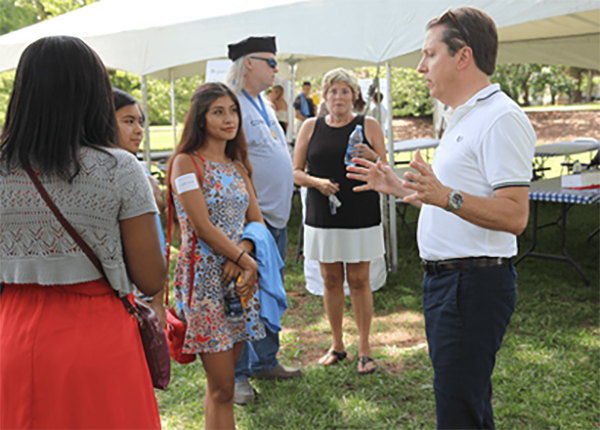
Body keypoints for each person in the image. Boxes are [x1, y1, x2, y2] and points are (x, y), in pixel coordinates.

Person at [347, 7, 535, 429]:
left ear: (462, 57)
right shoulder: (464, 116)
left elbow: (514, 214)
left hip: (472, 285)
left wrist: (444, 195)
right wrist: (402, 188)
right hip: (449, 284)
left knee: (458, 411)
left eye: (429, 54)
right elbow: (452, 203)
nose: (420, 67)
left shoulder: (500, 118)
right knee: (466, 404)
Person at [0, 36, 166, 429]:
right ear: (93, 92)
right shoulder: (119, 169)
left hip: (10, 333)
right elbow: (150, 276)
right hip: (97, 337)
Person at [166, 82, 266, 429]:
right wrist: (244, 260)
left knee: (221, 387)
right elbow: (202, 226)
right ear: (200, 119)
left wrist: (243, 254)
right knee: (223, 386)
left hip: (239, 281)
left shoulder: (237, 166)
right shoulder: (185, 163)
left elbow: (256, 221)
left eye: (233, 110)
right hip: (206, 283)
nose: (229, 119)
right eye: (218, 111)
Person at [292, 67, 387, 375]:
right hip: (322, 214)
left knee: (359, 281)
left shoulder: (368, 124)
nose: (339, 97)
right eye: (333, 91)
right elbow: (294, 171)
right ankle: (337, 345)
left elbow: (386, 169)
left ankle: (364, 348)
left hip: (360, 212)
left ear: (354, 96)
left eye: (345, 91)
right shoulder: (310, 126)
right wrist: (317, 183)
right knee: (331, 281)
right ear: (324, 96)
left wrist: (373, 157)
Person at [226, 35, 303, 405]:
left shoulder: (263, 103)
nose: (277, 69)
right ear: (249, 63)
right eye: (271, 62)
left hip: (274, 216)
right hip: (248, 222)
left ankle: (265, 360)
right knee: (243, 295)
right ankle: (238, 375)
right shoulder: (229, 104)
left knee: (271, 288)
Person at [112, 87, 167, 324]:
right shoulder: (105, 176)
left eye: (140, 121)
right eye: (129, 121)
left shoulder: (140, 172)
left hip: (148, 289)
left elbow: (157, 241)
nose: (138, 130)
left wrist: (158, 300)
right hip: (125, 293)